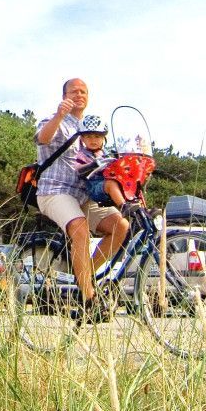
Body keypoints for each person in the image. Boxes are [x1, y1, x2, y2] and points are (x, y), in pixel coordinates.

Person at [35, 79, 129, 310]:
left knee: (121, 226)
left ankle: (83, 275)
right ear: (64, 95)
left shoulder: (90, 128)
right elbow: (42, 138)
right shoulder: (54, 120)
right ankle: (89, 298)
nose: (79, 95)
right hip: (55, 191)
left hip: (82, 195)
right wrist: (59, 115)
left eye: (83, 91)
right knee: (79, 228)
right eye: (73, 91)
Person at [74, 116, 128, 213]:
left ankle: (140, 211)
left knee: (129, 183)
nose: (93, 140)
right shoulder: (81, 154)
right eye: (88, 136)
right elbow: (78, 169)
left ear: (103, 138)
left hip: (108, 185)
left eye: (97, 136)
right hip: (95, 187)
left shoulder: (106, 153)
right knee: (111, 184)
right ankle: (125, 208)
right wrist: (91, 165)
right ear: (82, 138)